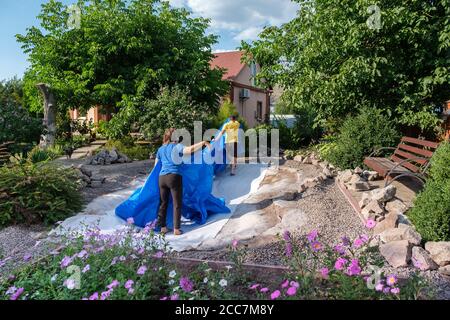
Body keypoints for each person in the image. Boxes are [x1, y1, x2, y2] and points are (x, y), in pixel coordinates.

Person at [154, 128, 210, 235]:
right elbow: (190, 150)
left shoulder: (160, 149)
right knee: (176, 204)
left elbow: (156, 166)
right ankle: (176, 229)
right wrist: (202, 142)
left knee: (163, 203)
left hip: (162, 178)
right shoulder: (177, 146)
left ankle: (163, 228)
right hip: (174, 176)